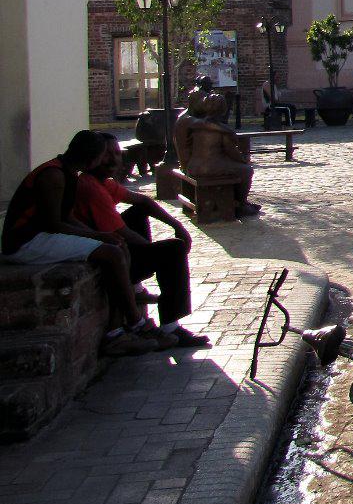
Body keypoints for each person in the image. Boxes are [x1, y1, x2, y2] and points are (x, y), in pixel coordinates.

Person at [2, 131, 160, 356]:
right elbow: (53, 223)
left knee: (117, 248)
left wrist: (99, 235)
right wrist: (97, 237)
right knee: (112, 254)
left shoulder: (68, 174)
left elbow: (66, 217)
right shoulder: (53, 175)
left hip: (41, 236)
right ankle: (136, 323)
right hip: (26, 242)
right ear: (93, 158)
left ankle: (117, 330)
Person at [79, 135, 210, 348]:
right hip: (111, 261)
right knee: (172, 250)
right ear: (93, 157)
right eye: (106, 155)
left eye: (116, 153)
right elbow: (124, 234)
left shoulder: (103, 183)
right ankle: (171, 326)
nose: (113, 160)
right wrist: (157, 252)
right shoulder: (91, 188)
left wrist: (177, 225)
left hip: (116, 249)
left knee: (138, 211)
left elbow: (143, 200)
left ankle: (137, 286)